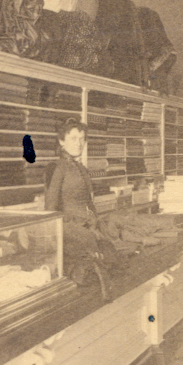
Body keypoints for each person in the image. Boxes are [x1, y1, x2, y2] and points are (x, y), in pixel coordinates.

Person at [44, 119, 121, 290]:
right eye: (73, 138)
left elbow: (89, 204)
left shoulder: (81, 168)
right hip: (70, 232)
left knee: (114, 260)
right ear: (61, 141)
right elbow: (50, 210)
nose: (79, 143)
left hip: (89, 227)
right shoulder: (56, 167)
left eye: (82, 139)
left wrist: (96, 225)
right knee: (94, 267)